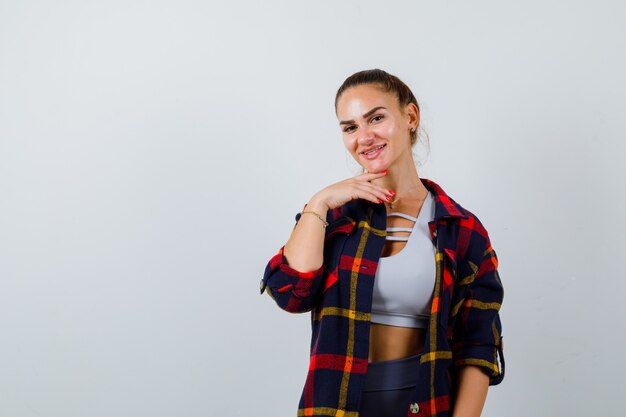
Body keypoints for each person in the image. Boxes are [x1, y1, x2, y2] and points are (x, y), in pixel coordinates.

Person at [259, 69, 504, 417]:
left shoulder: (461, 229)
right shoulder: (334, 216)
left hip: (423, 403)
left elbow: (477, 347)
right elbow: (291, 293)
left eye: (376, 117)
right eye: (350, 127)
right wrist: (319, 202)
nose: (364, 136)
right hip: (336, 404)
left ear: (410, 116)